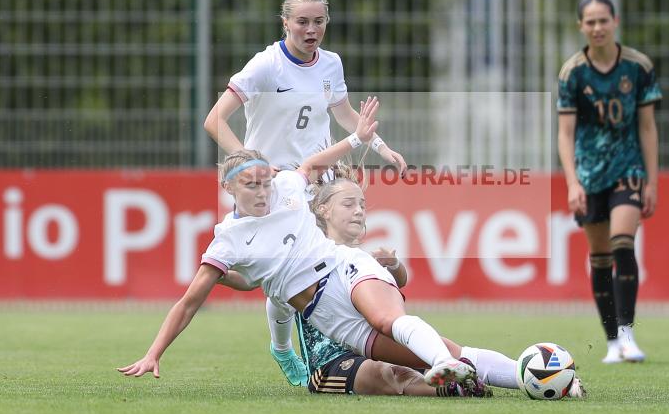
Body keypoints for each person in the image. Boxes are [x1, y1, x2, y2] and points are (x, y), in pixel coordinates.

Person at [118, 98, 477, 389]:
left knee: (386, 338)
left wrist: (358, 140)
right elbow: (187, 304)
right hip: (303, 302)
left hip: (325, 283)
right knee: (279, 293)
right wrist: (154, 353)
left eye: (264, 182)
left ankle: (467, 372)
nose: (262, 191)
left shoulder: (288, 188)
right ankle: (282, 347)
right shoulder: (228, 240)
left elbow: (311, 164)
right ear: (228, 187)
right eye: (251, 184)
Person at [203, 0, 408, 386]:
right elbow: (214, 121)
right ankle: (282, 348)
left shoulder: (330, 64)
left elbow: (347, 117)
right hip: (274, 189)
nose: (311, 29)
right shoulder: (265, 66)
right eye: (302, 21)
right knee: (280, 280)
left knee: (334, 263)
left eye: (318, 21)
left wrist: (382, 146)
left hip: (319, 181)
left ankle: (339, 348)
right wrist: (252, 162)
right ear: (285, 23)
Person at [221, 165, 557, 398]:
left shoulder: (355, 260)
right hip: (331, 362)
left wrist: (394, 264)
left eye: (362, 205)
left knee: (449, 350)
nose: (359, 211)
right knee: (388, 374)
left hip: (370, 339)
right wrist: (283, 351)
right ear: (322, 211)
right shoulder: (300, 262)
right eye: (350, 204)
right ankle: (452, 385)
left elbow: (399, 285)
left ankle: (530, 376)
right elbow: (275, 302)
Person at [557, 0, 662, 364]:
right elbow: (565, 133)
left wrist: (651, 181)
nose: (597, 28)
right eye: (590, 22)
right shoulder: (572, 73)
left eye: (603, 20)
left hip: (629, 169)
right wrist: (573, 183)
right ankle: (613, 342)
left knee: (622, 244)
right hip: (589, 175)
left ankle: (629, 333)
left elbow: (647, 128)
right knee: (600, 258)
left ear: (615, 21)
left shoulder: (638, 67)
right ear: (581, 27)